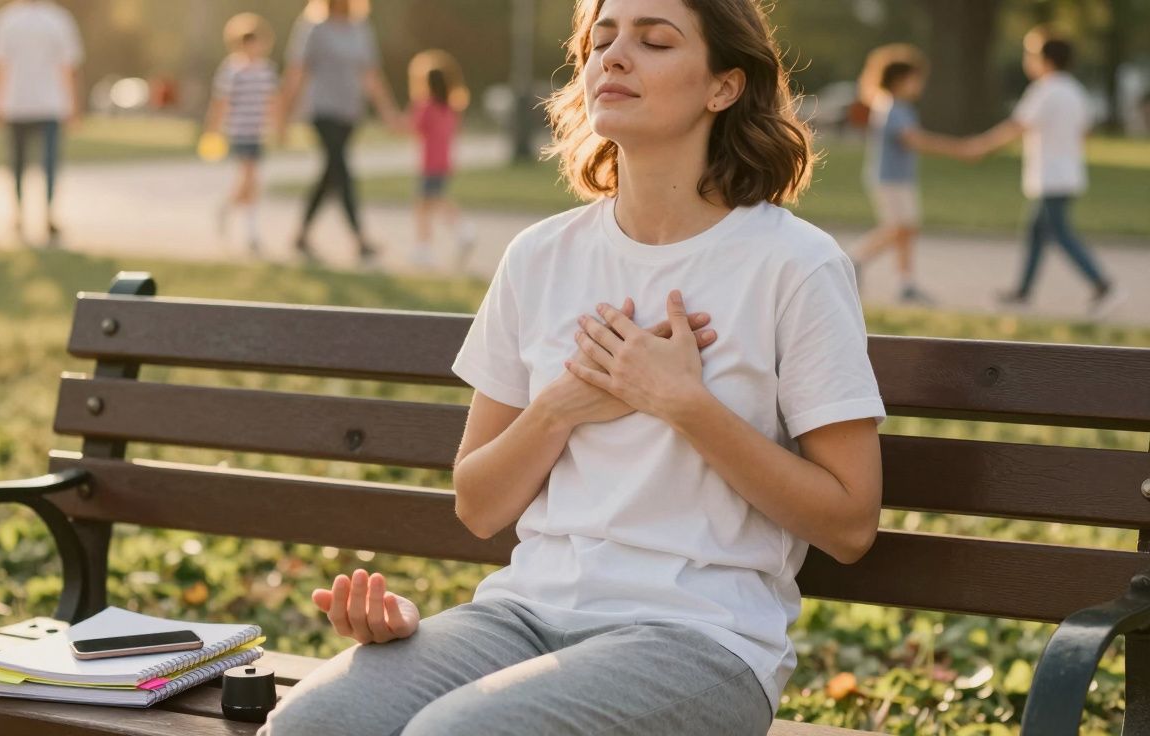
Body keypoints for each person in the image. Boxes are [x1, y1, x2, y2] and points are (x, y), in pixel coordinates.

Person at [261, 0, 886, 734]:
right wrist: (561, 406)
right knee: (314, 725)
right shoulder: (540, 256)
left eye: (654, 42)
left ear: (725, 86)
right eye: (602, 39)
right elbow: (479, 502)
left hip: (700, 640)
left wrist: (684, 403)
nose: (614, 57)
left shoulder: (794, 266)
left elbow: (849, 523)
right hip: (523, 615)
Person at [965, 28, 1125, 319]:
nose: (1027, 60)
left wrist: (982, 146)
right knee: (1037, 233)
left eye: (1030, 53)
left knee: (1060, 234)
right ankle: (1022, 292)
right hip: (1068, 174)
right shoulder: (1074, 90)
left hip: (1051, 177)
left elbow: (1017, 126)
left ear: (1045, 59)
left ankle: (1103, 286)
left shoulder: (1044, 90)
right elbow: (1086, 131)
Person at [849, 44, 978, 305]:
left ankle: (904, 282)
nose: (920, 85)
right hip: (889, 180)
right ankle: (853, 260)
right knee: (899, 229)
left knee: (905, 229)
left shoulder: (899, 108)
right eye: (915, 79)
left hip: (899, 179)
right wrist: (958, 149)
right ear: (899, 80)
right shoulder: (893, 108)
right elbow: (914, 140)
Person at [277, 0, 402, 267]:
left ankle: (301, 234)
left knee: (331, 172)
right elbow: (297, 71)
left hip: (349, 113)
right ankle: (360, 239)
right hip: (322, 111)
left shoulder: (360, 28)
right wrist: (283, 116)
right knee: (342, 169)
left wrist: (389, 113)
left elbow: (370, 74)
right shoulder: (313, 28)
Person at [0, 0, 83, 248]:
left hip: (17, 103)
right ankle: (46, 215)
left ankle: (20, 215)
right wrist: (73, 105)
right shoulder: (59, 18)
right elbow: (68, 66)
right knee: (48, 164)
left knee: (17, 162)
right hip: (50, 103)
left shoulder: (6, 19)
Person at [205, 17, 281, 256]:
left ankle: (227, 210)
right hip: (238, 130)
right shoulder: (232, 70)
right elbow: (221, 102)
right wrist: (213, 129)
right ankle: (252, 233)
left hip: (257, 131)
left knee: (250, 183)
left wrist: (278, 127)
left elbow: (272, 101)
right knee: (250, 178)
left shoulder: (266, 71)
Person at [405, 50, 476, 272]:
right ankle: (456, 233)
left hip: (429, 164)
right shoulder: (450, 108)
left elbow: (412, 127)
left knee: (426, 204)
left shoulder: (425, 107)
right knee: (433, 201)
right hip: (444, 163)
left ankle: (426, 248)